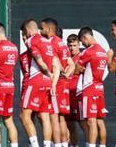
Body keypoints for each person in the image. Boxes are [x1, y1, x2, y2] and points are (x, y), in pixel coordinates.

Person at [20, 19, 59, 147]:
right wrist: (52, 81)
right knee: (45, 117)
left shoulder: (32, 40)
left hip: (36, 80)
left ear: (27, 31)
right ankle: (47, 145)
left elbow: (40, 61)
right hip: (47, 83)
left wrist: (48, 73)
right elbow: (55, 64)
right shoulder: (48, 42)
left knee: (24, 116)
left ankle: (34, 144)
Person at [42, 18, 75, 147]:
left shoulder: (51, 43)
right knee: (61, 118)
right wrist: (65, 75)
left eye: (42, 28)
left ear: (49, 29)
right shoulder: (62, 43)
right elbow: (71, 64)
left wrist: (60, 72)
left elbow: (57, 64)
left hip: (56, 83)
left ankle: (57, 145)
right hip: (63, 83)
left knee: (53, 118)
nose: (41, 31)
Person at [75, 27, 108, 147]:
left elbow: (76, 69)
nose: (83, 44)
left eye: (82, 42)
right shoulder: (103, 50)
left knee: (91, 121)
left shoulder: (88, 51)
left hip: (89, 89)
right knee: (100, 121)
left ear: (85, 37)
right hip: (99, 88)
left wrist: (79, 70)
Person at [64, 34, 81, 147]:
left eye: (74, 45)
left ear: (79, 44)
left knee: (83, 123)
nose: (72, 48)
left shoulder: (82, 57)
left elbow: (79, 69)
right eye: (70, 45)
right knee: (68, 124)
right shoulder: (67, 58)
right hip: (66, 94)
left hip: (77, 94)